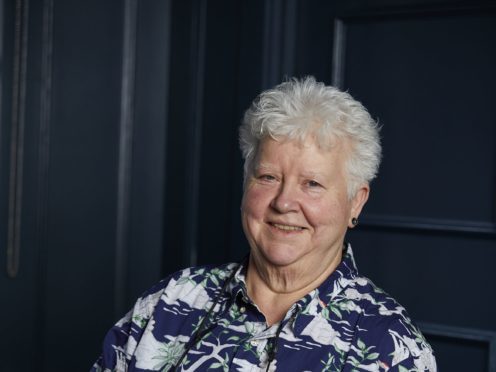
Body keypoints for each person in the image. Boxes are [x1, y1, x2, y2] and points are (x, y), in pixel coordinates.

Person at [92, 77, 436, 371]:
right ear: (246, 184)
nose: (284, 203)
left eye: (312, 184)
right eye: (268, 177)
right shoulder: (170, 300)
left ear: (356, 201)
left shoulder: (392, 347)